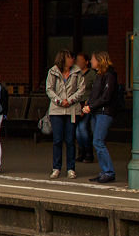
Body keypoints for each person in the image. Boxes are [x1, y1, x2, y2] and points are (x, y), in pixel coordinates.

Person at [46, 49, 85, 179]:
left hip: (72, 109)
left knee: (70, 140)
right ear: (62, 59)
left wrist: (70, 100)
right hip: (56, 110)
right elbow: (49, 89)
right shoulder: (53, 71)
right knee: (57, 139)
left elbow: (81, 89)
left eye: (72, 58)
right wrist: (58, 100)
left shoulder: (77, 72)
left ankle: (71, 169)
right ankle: (56, 168)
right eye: (69, 58)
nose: (72, 60)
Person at [81, 51, 119, 184]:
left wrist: (90, 107)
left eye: (92, 59)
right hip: (98, 112)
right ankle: (105, 171)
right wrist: (89, 105)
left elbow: (106, 97)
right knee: (97, 141)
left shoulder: (109, 76)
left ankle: (108, 172)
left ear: (99, 60)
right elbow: (96, 94)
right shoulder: (100, 75)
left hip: (104, 112)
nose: (91, 61)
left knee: (98, 141)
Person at [75, 51, 96, 163]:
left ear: (86, 62)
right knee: (77, 131)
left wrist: (90, 102)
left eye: (80, 61)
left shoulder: (92, 74)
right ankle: (81, 152)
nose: (77, 63)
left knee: (83, 128)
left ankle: (89, 153)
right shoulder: (76, 73)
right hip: (77, 104)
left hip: (87, 103)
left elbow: (95, 89)